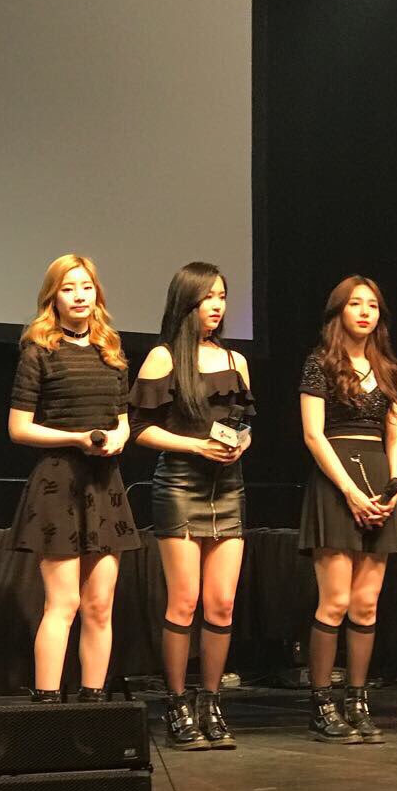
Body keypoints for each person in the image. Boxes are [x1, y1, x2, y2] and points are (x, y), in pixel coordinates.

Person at [130, 262, 254, 751]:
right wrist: (195, 446)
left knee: (221, 602)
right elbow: (140, 429)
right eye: (208, 297)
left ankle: (211, 701)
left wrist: (240, 444)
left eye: (222, 296)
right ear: (187, 302)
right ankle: (177, 703)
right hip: (180, 484)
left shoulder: (235, 360)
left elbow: (246, 422)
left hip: (229, 486)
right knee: (184, 601)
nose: (217, 305)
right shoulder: (163, 357)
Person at [6, 255, 140, 703]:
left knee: (100, 605)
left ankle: (93, 703)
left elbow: (123, 420)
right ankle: (47, 704)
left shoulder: (111, 351)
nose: (79, 296)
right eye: (68, 288)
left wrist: (117, 437)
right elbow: (19, 428)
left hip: (105, 484)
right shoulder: (38, 351)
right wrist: (77, 438)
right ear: (53, 297)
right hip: (58, 482)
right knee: (63, 603)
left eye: (86, 286)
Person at [298, 277, 397, 744]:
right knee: (336, 600)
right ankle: (323, 703)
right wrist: (349, 491)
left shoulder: (388, 368)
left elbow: (395, 434)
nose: (365, 312)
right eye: (356, 304)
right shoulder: (320, 363)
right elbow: (313, 434)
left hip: (381, 482)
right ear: (338, 310)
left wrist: (395, 486)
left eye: (373, 305)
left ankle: (357, 700)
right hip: (335, 483)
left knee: (366, 604)